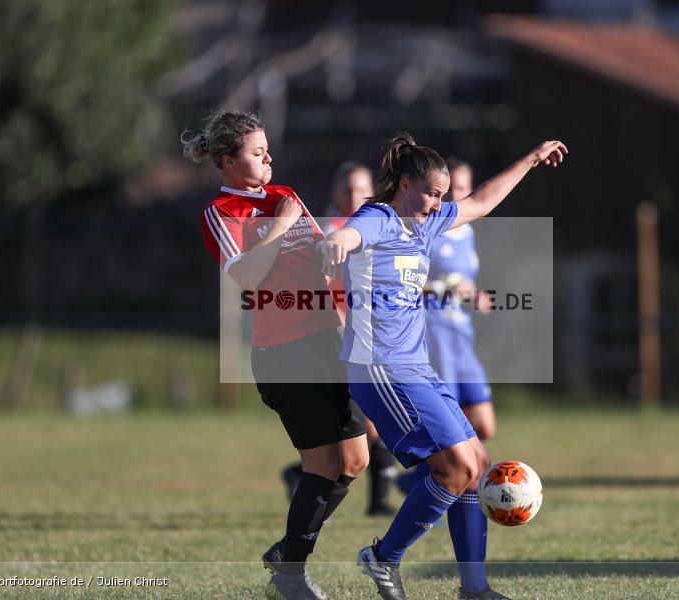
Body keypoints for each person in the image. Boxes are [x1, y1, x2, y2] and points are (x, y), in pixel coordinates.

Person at [321, 133, 567, 600]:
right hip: (381, 369)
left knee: (477, 464)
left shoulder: (426, 224)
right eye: (433, 193)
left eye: (442, 195)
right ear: (406, 182)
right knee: (455, 468)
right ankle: (384, 557)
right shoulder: (379, 217)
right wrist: (337, 242)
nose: (439, 204)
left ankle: (474, 588)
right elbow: (352, 233)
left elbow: (481, 202)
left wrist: (531, 159)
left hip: (417, 368)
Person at [186, 110, 369, 600]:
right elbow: (245, 277)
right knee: (322, 465)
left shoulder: (285, 196)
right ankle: (291, 576)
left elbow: (321, 261)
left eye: (268, 148)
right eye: (255, 151)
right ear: (228, 161)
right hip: (286, 351)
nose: (268, 157)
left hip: (330, 340)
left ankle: (287, 550)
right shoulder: (222, 211)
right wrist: (279, 228)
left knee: (355, 458)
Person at [281, 161, 398, 516]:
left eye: (360, 190)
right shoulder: (327, 233)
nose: (353, 196)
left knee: (371, 425)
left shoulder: (374, 229)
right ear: (335, 193)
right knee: (373, 423)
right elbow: (323, 289)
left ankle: (301, 474)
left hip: (373, 337)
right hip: (340, 340)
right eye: (346, 189)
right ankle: (376, 502)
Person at [395, 157, 496, 497]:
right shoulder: (430, 229)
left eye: (464, 189)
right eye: (452, 190)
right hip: (434, 332)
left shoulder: (467, 234)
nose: (457, 196)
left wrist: (474, 295)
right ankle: (442, 483)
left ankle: (419, 481)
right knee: (446, 427)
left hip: (460, 335)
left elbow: (463, 283)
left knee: (484, 424)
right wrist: (445, 289)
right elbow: (407, 278)